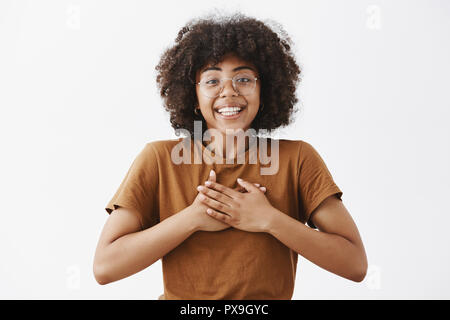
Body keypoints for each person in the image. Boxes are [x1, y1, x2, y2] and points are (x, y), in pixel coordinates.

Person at [93, 13, 368, 300]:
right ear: (193, 95)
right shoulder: (159, 159)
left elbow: (355, 264)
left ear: (264, 89)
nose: (229, 91)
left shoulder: (297, 159)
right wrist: (193, 218)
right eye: (212, 81)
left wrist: (268, 219)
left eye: (244, 78)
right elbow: (105, 267)